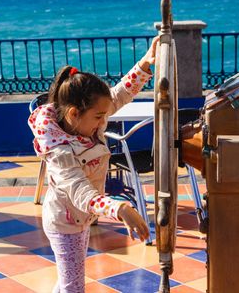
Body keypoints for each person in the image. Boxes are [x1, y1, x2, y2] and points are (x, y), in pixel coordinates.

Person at [27, 37, 159, 292]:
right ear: (74, 114)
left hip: (78, 220)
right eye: (99, 117)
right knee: (73, 287)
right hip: (65, 223)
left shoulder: (85, 127)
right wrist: (120, 208)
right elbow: (81, 193)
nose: (103, 122)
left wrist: (144, 64)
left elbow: (119, 95)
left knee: (69, 284)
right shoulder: (61, 153)